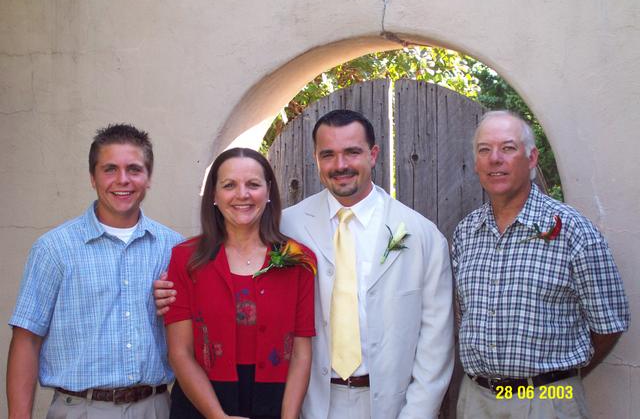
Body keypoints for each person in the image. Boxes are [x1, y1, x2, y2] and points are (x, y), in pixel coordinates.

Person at [156, 109, 454, 419]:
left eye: (352, 152)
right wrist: (167, 292)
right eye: (328, 154)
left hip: (390, 403)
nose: (340, 165)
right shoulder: (288, 227)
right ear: (316, 158)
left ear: (374, 154)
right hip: (313, 402)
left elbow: (436, 343)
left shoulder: (421, 235)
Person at [452, 110, 630, 418]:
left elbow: (608, 325)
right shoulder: (466, 232)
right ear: (477, 162)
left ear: (531, 158)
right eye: (485, 149)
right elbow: (463, 312)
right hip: (475, 401)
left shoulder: (574, 232)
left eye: (508, 148)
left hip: (547, 401)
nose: (495, 158)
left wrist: (555, 382)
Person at [7, 124, 183, 419]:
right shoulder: (54, 249)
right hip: (80, 409)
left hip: (154, 408)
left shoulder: (173, 249)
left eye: (134, 169)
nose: (122, 180)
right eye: (110, 169)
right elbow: (27, 340)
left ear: (148, 178)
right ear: (92, 177)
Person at [163, 147, 315, 419]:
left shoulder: (298, 260)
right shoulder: (185, 259)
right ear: (214, 194)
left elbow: (301, 354)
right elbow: (180, 353)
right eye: (229, 185)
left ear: (268, 192)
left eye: (253, 185)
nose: (242, 194)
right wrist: (217, 416)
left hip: (275, 402)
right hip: (201, 404)